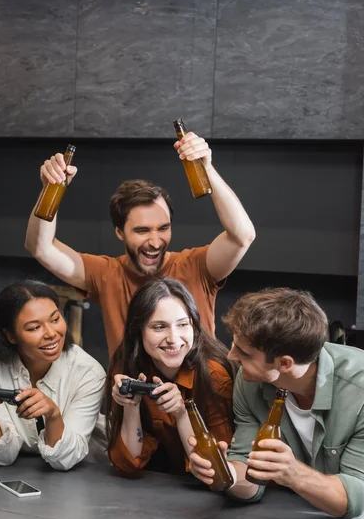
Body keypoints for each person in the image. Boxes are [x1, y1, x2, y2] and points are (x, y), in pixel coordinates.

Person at [25, 132, 255, 357]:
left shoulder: (197, 266)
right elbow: (41, 247)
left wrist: (206, 170)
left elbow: (242, 236)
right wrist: (51, 188)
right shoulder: (106, 273)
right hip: (129, 393)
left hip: (198, 391)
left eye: (163, 228)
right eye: (142, 231)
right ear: (119, 232)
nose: (155, 242)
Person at [189, 288, 364, 519]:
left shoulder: (358, 391)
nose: (231, 356)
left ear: (284, 363)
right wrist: (225, 472)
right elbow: (249, 475)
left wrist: (293, 473)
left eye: (244, 352)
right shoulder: (250, 380)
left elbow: (356, 500)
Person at [0, 280, 106, 471]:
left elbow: (65, 460)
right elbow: (2, 457)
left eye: (55, 319)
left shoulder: (88, 372)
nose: (51, 333)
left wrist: (53, 415)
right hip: (16, 473)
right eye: (34, 328)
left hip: (84, 475)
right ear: (11, 336)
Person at [104, 277, 237, 476]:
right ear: (138, 331)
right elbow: (127, 465)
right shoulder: (127, 363)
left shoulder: (213, 373)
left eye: (183, 325)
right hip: (156, 486)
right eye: (159, 327)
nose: (173, 339)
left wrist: (181, 413)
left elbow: (215, 469)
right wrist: (131, 405)